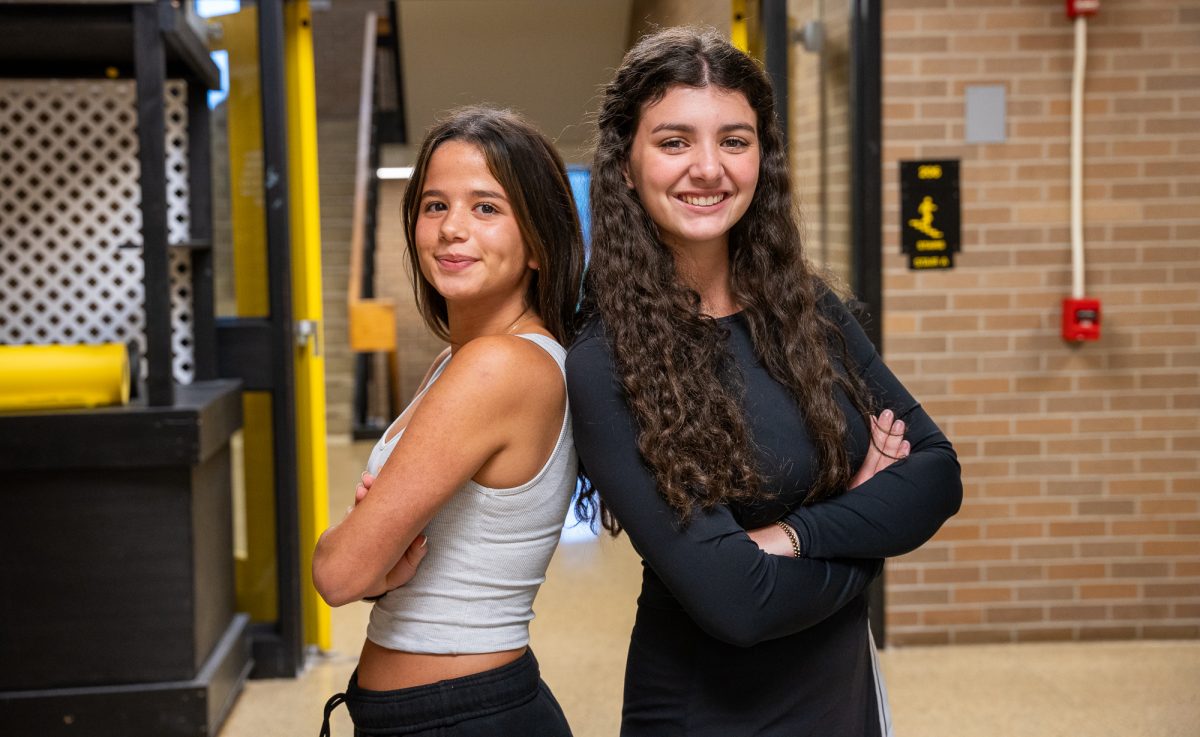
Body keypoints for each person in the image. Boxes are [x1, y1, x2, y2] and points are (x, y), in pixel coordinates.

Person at [565, 27, 962, 736]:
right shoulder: (607, 360)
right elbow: (736, 603)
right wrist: (868, 527)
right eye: (675, 141)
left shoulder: (804, 307)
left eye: (736, 140)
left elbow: (936, 472)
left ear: (762, 158)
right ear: (625, 164)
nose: (709, 168)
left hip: (841, 699)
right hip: (709, 714)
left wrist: (791, 535)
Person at [313, 106, 584, 737]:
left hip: (465, 718)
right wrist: (376, 565)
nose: (451, 229)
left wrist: (354, 547)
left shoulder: (497, 366)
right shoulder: (463, 358)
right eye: (434, 206)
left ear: (539, 243)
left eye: (486, 208)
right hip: (434, 713)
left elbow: (336, 574)